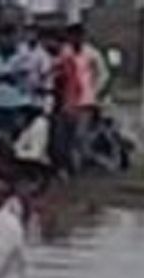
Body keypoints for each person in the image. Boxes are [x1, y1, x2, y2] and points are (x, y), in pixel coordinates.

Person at [54, 23, 111, 174]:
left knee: (80, 136)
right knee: (65, 137)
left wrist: (95, 90)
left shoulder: (92, 53)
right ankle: (68, 166)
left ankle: (80, 166)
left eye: (77, 36)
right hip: (67, 100)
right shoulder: (65, 53)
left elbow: (104, 74)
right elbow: (57, 72)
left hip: (86, 101)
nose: (74, 39)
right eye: (71, 36)